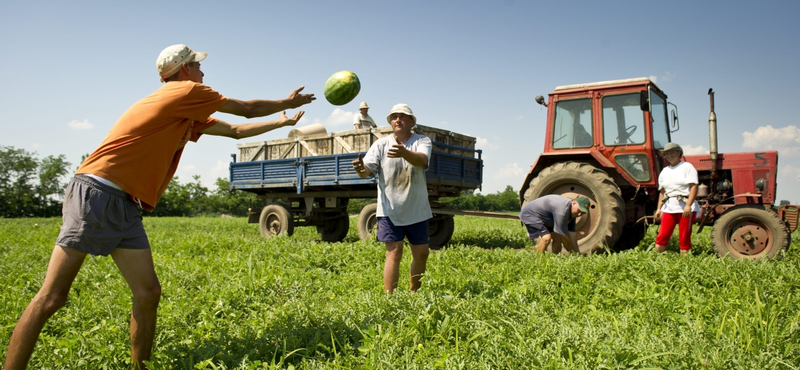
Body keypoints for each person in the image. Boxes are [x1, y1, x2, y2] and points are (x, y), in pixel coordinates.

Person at [3, 44, 315, 370]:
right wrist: (286, 101)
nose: (203, 71)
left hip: (125, 203)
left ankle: (141, 367)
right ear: (184, 69)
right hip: (98, 192)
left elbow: (236, 130)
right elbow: (246, 109)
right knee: (53, 297)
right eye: (198, 64)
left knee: (148, 292)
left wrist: (281, 122)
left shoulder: (183, 110)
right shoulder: (186, 91)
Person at [351, 103, 432, 293]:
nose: (398, 119)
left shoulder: (422, 141)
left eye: (403, 116)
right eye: (394, 117)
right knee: (394, 252)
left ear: (411, 121)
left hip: (416, 208)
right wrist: (360, 169)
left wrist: (404, 153)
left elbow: (422, 160)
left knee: (421, 254)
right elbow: (366, 171)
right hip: (389, 209)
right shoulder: (381, 144)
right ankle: (390, 298)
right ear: (390, 122)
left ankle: (415, 293)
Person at [654, 142, 701, 256]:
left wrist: (688, 205)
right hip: (669, 207)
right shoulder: (665, 171)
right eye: (667, 154)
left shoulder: (687, 167)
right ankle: (656, 261)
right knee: (662, 235)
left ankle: (685, 263)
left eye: (672, 152)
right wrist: (659, 209)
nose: (669, 155)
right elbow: (662, 192)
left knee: (684, 236)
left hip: (684, 207)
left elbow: (694, 186)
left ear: (679, 152)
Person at [519, 194, 591, 254]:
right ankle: (537, 260)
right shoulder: (562, 211)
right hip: (530, 214)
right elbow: (564, 238)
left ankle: (554, 259)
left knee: (557, 238)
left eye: (583, 213)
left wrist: (577, 252)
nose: (579, 214)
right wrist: (574, 254)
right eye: (579, 210)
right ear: (574, 203)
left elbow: (572, 235)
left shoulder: (573, 213)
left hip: (546, 218)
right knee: (546, 238)